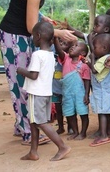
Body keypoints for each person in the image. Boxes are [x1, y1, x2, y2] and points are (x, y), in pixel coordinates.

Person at [0, 0, 76, 144]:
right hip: (13, 38)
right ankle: (27, 132)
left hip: (23, 37)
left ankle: (22, 125)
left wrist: (42, 17)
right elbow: (31, 26)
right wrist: (58, 33)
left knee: (26, 83)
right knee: (21, 85)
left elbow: (28, 11)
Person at [17, 21, 71, 161]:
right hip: (46, 93)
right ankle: (33, 152)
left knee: (40, 122)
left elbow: (33, 75)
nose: (33, 38)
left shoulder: (37, 55)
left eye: (33, 36)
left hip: (37, 94)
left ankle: (62, 146)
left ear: (38, 36)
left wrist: (22, 71)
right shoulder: (50, 55)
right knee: (34, 122)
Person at [53, 38, 91, 140]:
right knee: (70, 113)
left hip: (80, 93)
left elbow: (87, 81)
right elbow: (59, 50)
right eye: (72, 45)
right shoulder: (66, 58)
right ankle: (75, 132)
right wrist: (55, 37)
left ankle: (83, 133)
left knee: (83, 113)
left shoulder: (84, 66)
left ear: (82, 53)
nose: (72, 47)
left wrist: (87, 94)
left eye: (76, 46)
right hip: (67, 93)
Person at [85, 33, 110, 147]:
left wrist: (90, 61)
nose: (93, 49)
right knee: (106, 112)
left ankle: (103, 136)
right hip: (107, 90)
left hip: (103, 91)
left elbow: (94, 71)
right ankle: (109, 132)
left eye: (95, 47)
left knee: (102, 113)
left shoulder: (103, 59)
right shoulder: (108, 57)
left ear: (104, 48)